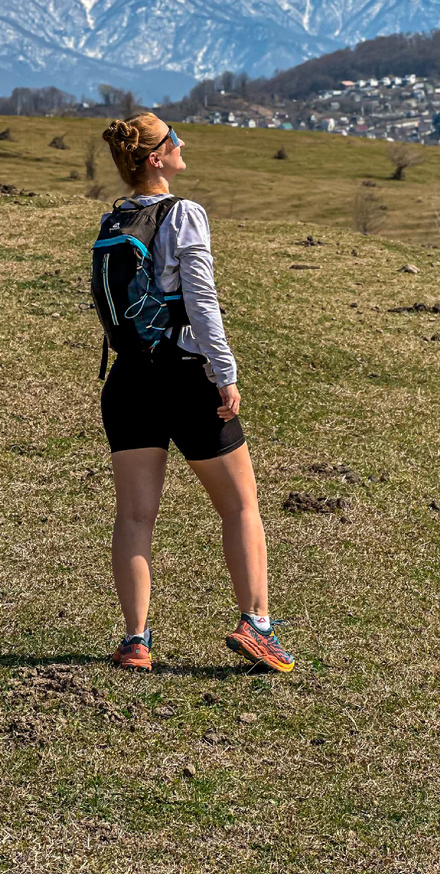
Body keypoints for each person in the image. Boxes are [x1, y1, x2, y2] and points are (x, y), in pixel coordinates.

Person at [98, 112, 294, 674]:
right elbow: (201, 299)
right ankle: (256, 624)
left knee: (135, 516)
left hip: (129, 379)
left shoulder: (117, 217)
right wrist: (225, 372)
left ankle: (136, 640)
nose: (184, 145)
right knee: (240, 504)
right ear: (156, 159)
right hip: (185, 374)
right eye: (174, 140)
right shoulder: (183, 213)